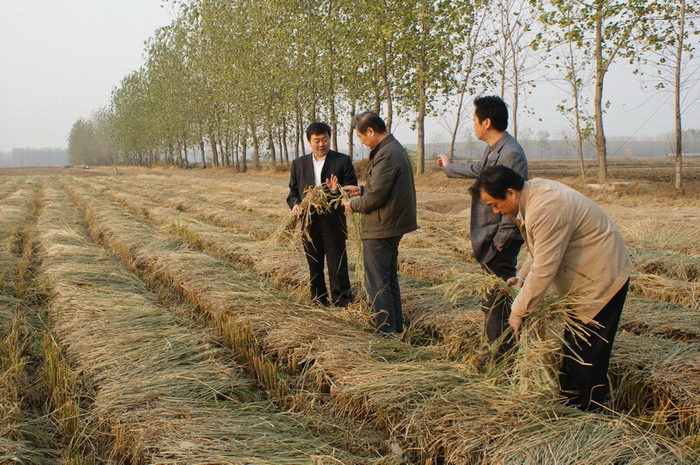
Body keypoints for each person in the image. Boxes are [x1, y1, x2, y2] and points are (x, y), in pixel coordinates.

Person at [470, 165, 633, 411]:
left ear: (511, 192)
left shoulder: (546, 206)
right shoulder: (533, 196)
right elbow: (541, 247)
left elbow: (545, 267)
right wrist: (522, 276)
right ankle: (573, 403)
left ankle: (586, 412)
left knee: (586, 351)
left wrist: (518, 311)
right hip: (584, 277)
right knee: (576, 345)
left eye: (494, 204)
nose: (495, 211)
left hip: (601, 276)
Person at [436, 95, 528, 360]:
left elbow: (513, 201)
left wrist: (500, 241)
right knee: (491, 300)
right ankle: (495, 351)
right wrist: (449, 166)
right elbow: (479, 169)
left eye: (475, 120)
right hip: (490, 236)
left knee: (497, 301)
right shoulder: (495, 148)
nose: (473, 125)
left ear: (487, 122)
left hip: (499, 238)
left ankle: (501, 358)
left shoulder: (510, 153)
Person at [341, 112, 417, 334]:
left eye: (361, 137)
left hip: (382, 226)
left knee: (377, 283)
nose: (362, 142)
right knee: (388, 280)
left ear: (371, 131)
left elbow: (376, 197)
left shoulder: (387, 154)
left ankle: (386, 331)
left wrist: (352, 205)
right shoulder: (393, 149)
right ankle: (395, 328)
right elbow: (383, 188)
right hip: (391, 224)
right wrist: (361, 190)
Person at [287, 122, 357, 307]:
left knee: (337, 263)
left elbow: (351, 189)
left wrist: (336, 191)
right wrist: (295, 205)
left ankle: (342, 302)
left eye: (324, 139)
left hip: (333, 221)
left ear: (329, 139)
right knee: (314, 264)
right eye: (316, 140)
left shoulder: (342, 161)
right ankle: (319, 300)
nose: (321, 144)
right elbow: (293, 192)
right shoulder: (298, 164)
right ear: (309, 141)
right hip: (308, 222)